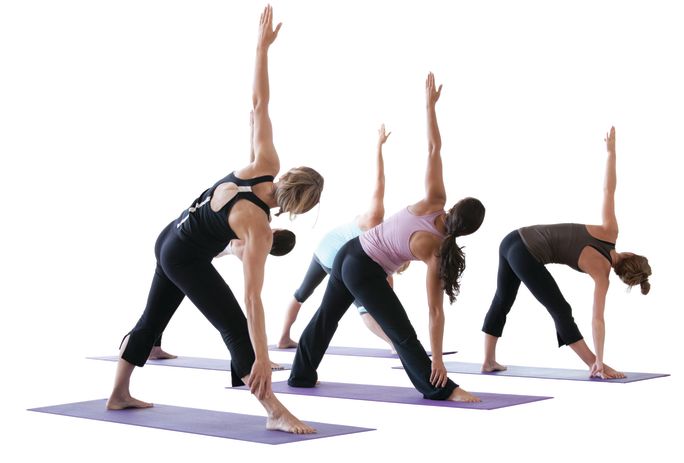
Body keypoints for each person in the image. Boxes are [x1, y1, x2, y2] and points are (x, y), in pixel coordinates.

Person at [106, 5, 322, 434]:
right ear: (297, 208)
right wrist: (260, 354)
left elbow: (259, 103)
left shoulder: (263, 163)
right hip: (183, 257)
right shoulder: (257, 227)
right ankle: (274, 412)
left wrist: (261, 48)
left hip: (170, 236)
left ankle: (119, 394)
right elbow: (252, 301)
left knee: (152, 320)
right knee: (235, 328)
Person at [288, 73, 485, 402]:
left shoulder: (434, 201)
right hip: (363, 268)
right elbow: (435, 311)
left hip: (350, 252)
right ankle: (439, 389)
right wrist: (436, 359)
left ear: (454, 208)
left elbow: (435, 149)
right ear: (467, 232)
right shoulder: (435, 251)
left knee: (327, 317)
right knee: (401, 330)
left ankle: (301, 375)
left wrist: (429, 106)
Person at [481, 126, 651, 379]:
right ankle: (593, 365)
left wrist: (611, 152)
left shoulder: (609, 232)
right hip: (524, 252)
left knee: (503, 299)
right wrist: (602, 359)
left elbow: (609, 191)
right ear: (622, 275)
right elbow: (598, 320)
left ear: (630, 254)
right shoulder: (602, 276)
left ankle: (488, 361)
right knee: (560, 309)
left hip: (511, 239)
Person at [278, 124, 404, 352]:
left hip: (325, 245)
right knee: (363, 308)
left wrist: (379, 146)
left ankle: (283, 337)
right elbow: (379, 180)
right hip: (338, 255)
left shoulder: (378, 229)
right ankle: (394, 345)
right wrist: (378, 147)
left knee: (301, 293)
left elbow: (380, 182)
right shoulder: (375, 221)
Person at [149, 228, 296, 360]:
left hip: (189, 251)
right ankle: (153, 347)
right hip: (188, 248)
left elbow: (251, 295)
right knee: (163, 305)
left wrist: (263, 360)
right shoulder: (254, 237)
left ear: (275, 233)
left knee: (163, 305)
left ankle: (153, 347)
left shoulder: (251, 240)